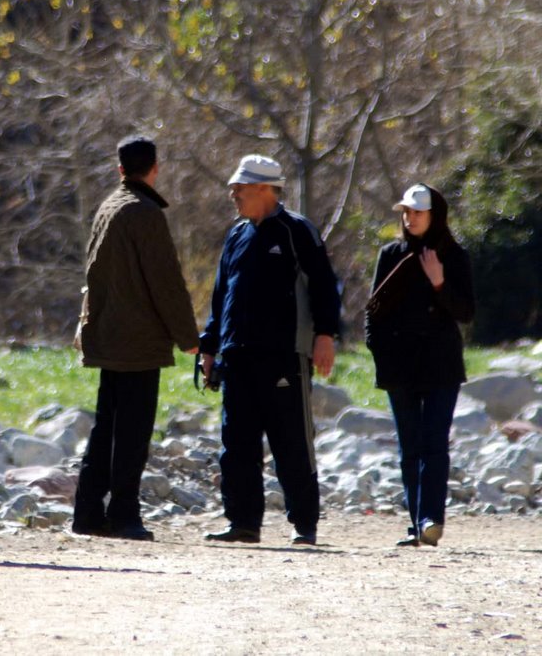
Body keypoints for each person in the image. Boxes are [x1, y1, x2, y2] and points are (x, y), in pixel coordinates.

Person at [199, 154, 341, 546]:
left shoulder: (297, 231)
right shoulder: (236, 235)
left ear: (264, 188)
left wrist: (325, 335)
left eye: (239, 188)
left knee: (291, 441)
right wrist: (210, 348)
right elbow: (219, 298)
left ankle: (305, 524)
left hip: (284, 355)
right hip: (237, 355)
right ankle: (243, 523)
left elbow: (324, 287)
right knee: (236, 444)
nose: (233, 193)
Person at [71, 135, 199, 541]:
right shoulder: (144, 214)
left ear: (119, 168)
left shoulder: (109, 207)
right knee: (132, 432)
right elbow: (166, 283)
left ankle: (88, 514)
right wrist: (189, 338)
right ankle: (125, 515)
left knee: (106, 427)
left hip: (107, 334)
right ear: (155, 168)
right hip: (138, 342)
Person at [365, 183, 474, 547]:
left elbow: (466, 312)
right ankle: (417, 524)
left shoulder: (454, 256)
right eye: (406, 213)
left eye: (417, 212)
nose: (410, 218)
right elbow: (374, 310)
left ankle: (431, 519)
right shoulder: (390, 253)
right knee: (409, 447)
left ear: (435, 215)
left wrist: (439, 283)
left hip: (440, 365)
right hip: (399, 365)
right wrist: (377, 350)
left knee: (434, 445)